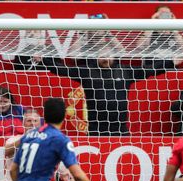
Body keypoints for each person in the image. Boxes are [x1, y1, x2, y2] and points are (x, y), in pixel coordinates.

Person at [36, 52, 169, 136]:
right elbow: (62, 69)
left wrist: (171, 62)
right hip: (96, 130)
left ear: (114, 55)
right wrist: (43, 60)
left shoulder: (125, 71)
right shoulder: (87, 71)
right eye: (101, 54)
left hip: (120, 129)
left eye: (108, 54)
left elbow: (150, 70)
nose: (105, 57)